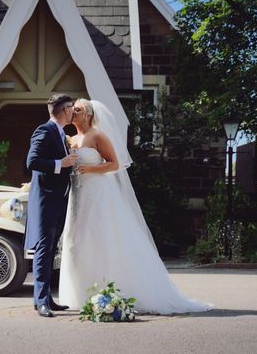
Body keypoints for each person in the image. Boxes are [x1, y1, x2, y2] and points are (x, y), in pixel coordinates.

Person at [59, 98, 213, 314]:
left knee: (103, 239)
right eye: (72, 108)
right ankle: (83, 293)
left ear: (89, 115)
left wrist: (91, 170)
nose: (73, 111)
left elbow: (115, 163)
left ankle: (110, 291)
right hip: (78, 198)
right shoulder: (71, 139)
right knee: (80, 241)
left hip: (99, 194)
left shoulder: (97, 135)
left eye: (78, 109)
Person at [25, 94, 79, 318]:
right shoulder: (44, 130)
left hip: (58, 197)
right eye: (72, 108)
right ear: (64, 110)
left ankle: (46, 298)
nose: (74, 111)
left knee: (50, 249)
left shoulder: (60, 134)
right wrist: (61, 163)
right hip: (46, 199)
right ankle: (40, 302)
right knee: (44, 249)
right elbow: (32, 162)